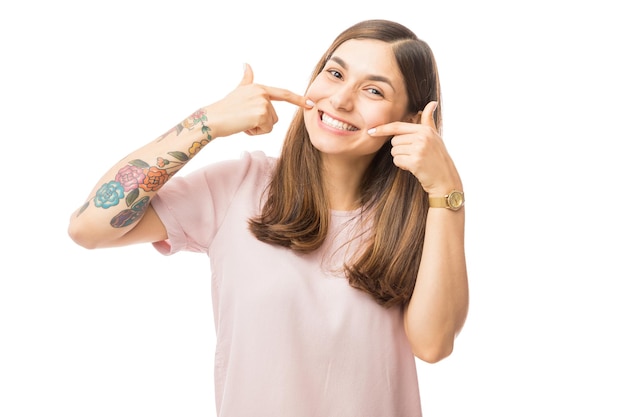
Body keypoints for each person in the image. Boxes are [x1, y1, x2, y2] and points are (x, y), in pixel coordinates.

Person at [68, 18, 468, 417]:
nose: (341, 100)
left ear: (412, 121)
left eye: (373, 90)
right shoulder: (240, 185)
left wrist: (446, 192)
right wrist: (204, 124)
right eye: (335, 73)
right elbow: (89, 227)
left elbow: (433, 345)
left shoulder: (425, 219)